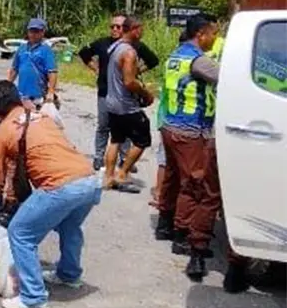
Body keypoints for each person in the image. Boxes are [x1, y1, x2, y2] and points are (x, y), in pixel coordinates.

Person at [0, 81, 102, 308]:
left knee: (20, 232)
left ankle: (33, 297)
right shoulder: (43, 118)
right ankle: (69, 275)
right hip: (89, 181)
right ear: (17, 100)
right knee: (70, 226)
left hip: (61, 186)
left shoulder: (2, 133)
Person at [158, 14, 224, 282]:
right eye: (213, 34)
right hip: (190, 130)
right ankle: (183, 233)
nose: (214, 39)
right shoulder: (199, 61)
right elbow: (226, 77)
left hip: (170, 125)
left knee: (173, 177)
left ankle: (165, 224)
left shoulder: (176, 55)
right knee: (194, 184)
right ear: (201, 34)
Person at [79, 14, 160, 172]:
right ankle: (98, 156)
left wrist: (136, 71)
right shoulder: (104, 44)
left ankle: (125, 159)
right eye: (112, 26)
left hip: (125, 95)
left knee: (124, 131)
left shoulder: (134, 46)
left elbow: (153, 60)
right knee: (104, 126)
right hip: (105, 90)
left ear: (125, 28)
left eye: (118, 26)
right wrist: (96, 68)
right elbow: (84, 53)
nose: (115, 29)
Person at [101, 15, 155, 192]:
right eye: (141, 29)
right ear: (134, 29)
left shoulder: (114, 47)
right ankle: (122, 173)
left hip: (112, 102)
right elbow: (129, 82)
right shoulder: (129, 52)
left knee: (116, 139)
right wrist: (146, 93)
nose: (142, 32)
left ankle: (108, 176)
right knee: (142, 140)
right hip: (126, 105)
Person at [8, 17, 59, 107]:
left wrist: (51, 92)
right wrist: (7, 85)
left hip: (38, 97)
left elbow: (52, 72)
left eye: (36, 31)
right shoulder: (22, 48)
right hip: (21, 95)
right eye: (31, 31)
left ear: (42, 32)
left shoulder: (46, 50)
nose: (33, 34)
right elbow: (14, 69)